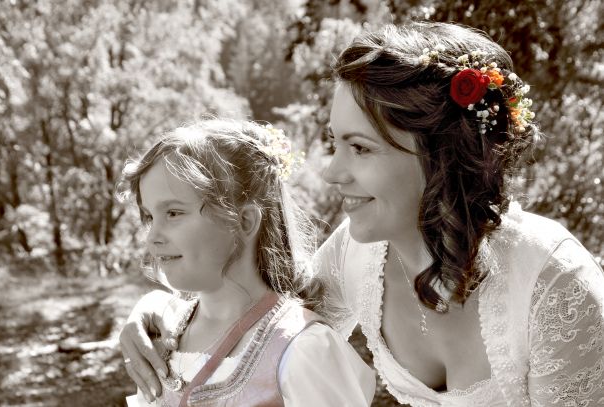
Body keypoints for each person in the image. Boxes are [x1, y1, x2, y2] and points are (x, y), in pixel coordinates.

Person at [120, 22, 604, 406]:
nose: (332, 173)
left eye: (360, 148)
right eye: (335, 142)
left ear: (439, 155)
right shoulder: (357, 256)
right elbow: (261, 316)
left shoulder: (554, 283)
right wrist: (157, 313)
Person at [117, 119, 375, 406]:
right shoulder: (160, 336)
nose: (153, 237)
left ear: (244, 221)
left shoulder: (302, 351)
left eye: (174, 213)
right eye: (149, 216)